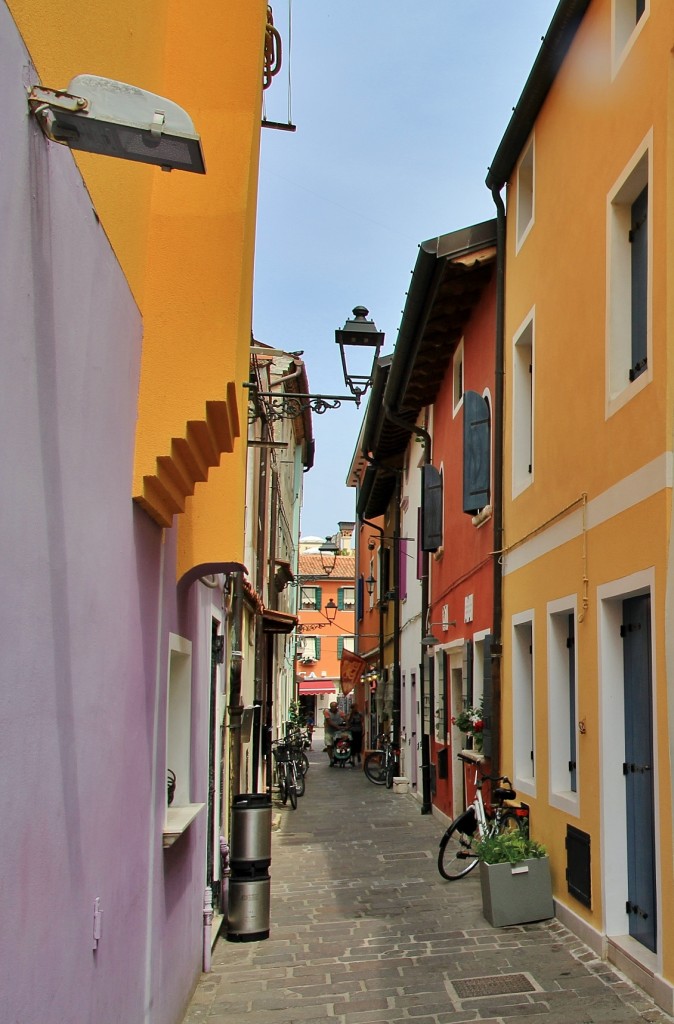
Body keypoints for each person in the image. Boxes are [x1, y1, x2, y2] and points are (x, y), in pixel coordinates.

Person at [323, 701, 345, 765]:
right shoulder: (327, 712)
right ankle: (331, 759)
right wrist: (337, 727)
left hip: (337, 731)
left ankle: (338, 756)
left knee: (338, 744)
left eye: (335, 706)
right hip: (329, 730)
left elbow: (345, 718)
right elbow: (329, 721)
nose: (334, 708)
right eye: (332, 707)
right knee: (329, 745)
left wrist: (347, 725)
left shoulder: (340, 712)